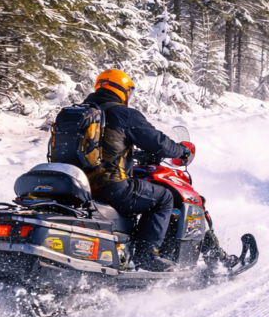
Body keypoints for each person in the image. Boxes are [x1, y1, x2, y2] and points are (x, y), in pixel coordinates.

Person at [80, 69, 193, 271]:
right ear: (122, 91)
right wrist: (181, 150)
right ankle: (146, 255)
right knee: (163, 198)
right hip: (109, 187)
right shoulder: (123, 114)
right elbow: (159, 142)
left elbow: (102, 149)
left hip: (79, 187)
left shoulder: (78, 113)